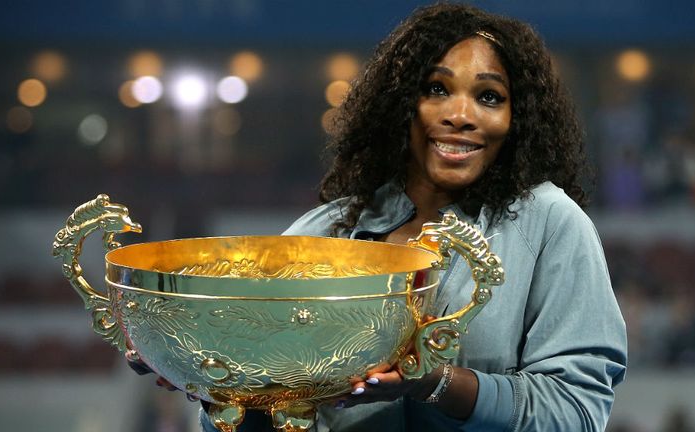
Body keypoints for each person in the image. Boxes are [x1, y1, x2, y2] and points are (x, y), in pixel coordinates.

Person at [141, 3, 628, 430]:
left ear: (517, 118)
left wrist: (432, 383)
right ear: (399, 105)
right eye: (436, 88)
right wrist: (218, 384)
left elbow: (578, 413)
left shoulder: (550, 223)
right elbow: (275, 413)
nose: (461, 114)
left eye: (489, 96)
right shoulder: (321, 231)